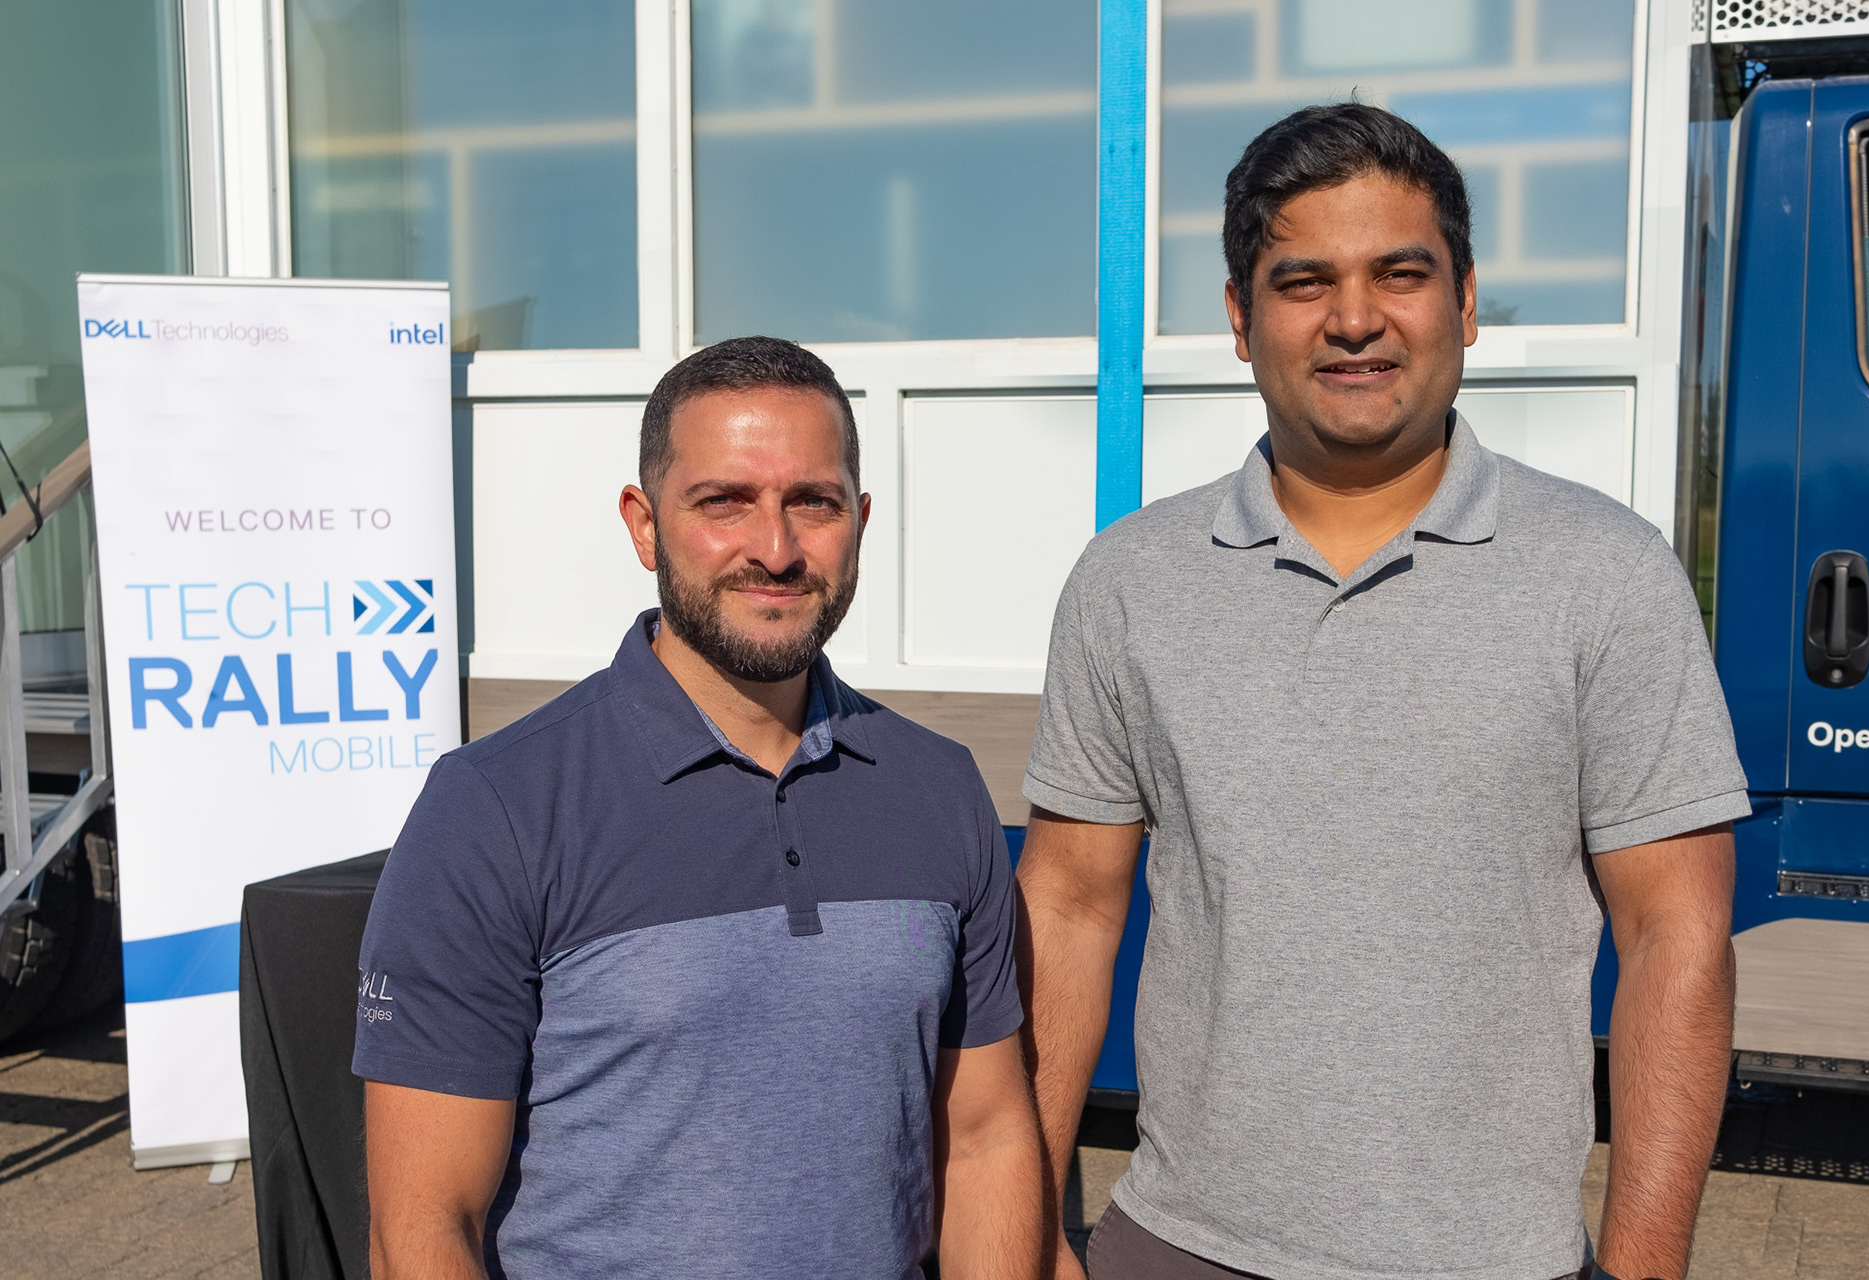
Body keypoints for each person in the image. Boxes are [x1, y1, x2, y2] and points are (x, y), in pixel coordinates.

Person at [1017, 104, 1747, 1280]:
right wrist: (1019, 1233)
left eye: (1399, 274)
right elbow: (1066, 910)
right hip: (1178, 1246)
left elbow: (1679, 937)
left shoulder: (1608, 574)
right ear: (1240, 319)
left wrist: (1642, 1267)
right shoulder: (1130, 581)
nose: (1354, 318)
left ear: (1466, 301)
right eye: (1303, 280)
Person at [353, 336, 1045, 1280]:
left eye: (814, 502)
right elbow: (424, 1230)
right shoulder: (495, 808)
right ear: (644, 526)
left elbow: (986, 1139)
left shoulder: (938, 788)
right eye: (725, 501)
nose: (776, 549)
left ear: (860, 521)